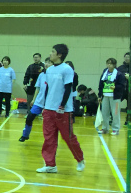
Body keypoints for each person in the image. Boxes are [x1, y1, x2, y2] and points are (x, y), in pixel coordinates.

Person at [38, 44, 84, 173]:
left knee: (68, 137)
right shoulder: (49, 70)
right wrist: (44, 105)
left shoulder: (67, 69)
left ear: (59, 55)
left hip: (63, 111)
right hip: (49, 109)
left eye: (53, 51)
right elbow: (48, 89)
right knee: (49, 138)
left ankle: (80, 159)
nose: (50, 53)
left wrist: (62, 105)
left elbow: (68, 88)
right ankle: (50, 165)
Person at [19, 58, 52, 142]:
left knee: (48, 123)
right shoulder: (41, 75)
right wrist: (34, 100)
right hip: (39, 102)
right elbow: (37, 88)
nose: (47, 64)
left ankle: (49, 140)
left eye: (49, 63)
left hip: (49, 103)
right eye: (46, 62)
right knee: (29, 118)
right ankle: (25, 135)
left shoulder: (55, 76)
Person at [98, 58, 127, 135]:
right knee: (104, 113)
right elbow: (101, 84)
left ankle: (116, 129)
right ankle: (105, 128)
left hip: (115, 97)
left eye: (110, 64)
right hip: (105, 96)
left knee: (115, 113)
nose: (109, 65)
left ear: (114, 65)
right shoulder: (104, 73)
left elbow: (122, 85)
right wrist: (99, 95)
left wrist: (115, 87)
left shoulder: (119, 74)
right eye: (108, 63)